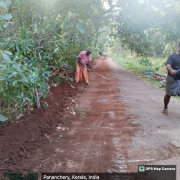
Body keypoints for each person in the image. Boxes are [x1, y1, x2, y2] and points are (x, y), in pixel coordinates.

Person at [162, 42, 180, 115]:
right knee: (168, 94)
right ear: (178, 47)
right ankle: (165, 107)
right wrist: (171, 70)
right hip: (171, 78)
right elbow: (168, 65)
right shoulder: (172, 56)